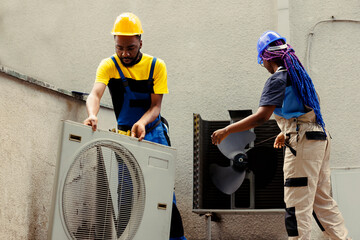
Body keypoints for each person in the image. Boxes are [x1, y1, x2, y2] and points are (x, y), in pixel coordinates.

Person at [211, 31, 350, 240]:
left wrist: (227, 130)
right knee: (322, 202)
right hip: (319, 137)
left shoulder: (277, 78)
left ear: (266, 58)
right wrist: (285, 132)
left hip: (302, 141)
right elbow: (305, 113)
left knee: (296, 205)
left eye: (262, 63)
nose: (264, 67)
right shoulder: (299, 76)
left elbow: (261, 117)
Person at [83, 12, 186, 240]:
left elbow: (156, 106)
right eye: (119, 47)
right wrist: (92, 114)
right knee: (128, 198)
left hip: (154, 134)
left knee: (164, 197)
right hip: (125, 140)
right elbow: (95, 95)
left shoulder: (156, 66)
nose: (124, 53)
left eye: (130, 47)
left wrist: (141, 122)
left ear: (140, 41)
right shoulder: (108, 65)